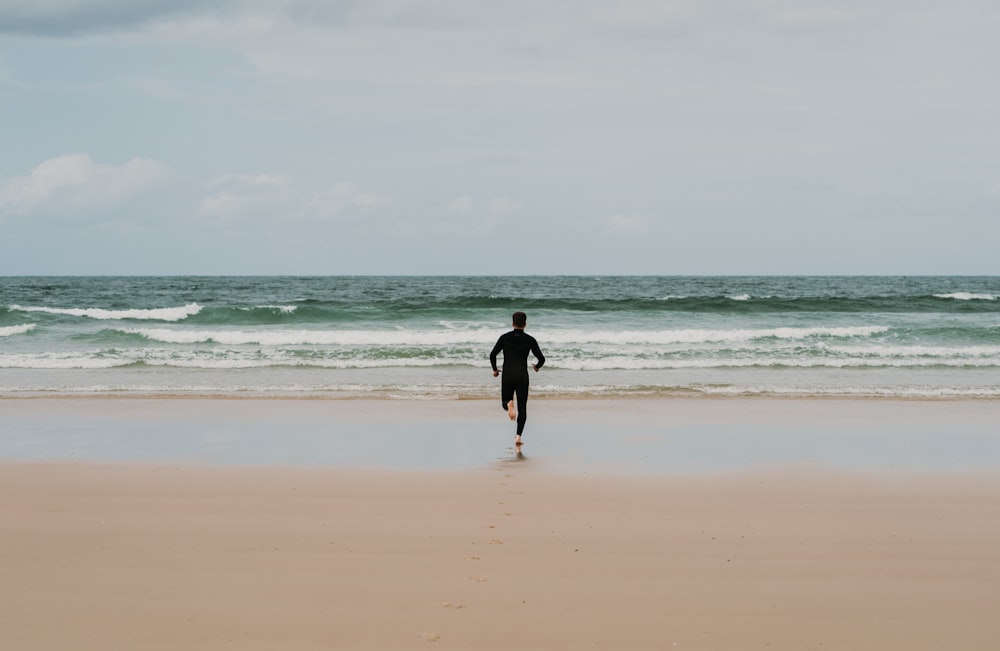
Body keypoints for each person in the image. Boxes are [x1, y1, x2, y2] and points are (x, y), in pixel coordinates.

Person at [489, 311, 545, 446]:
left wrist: (495, 370)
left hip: (508, 374)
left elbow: (492, 354)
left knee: (505, 402)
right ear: (525, 324)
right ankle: (518, 436)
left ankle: (509, 404)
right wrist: (537, 366)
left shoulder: (504, 337)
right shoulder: (530, 340)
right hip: (522, 375)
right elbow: (542, 359)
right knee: (523, 408)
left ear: (512, 323)